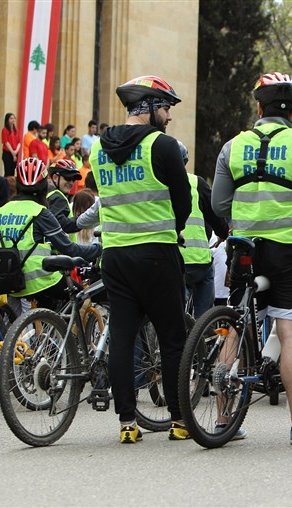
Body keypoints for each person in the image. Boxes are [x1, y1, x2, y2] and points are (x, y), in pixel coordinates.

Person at [212, 71, 292, 444]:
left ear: (259, 106)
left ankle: (221, 419)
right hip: (287, 251)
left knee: (235, 325)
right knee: (291, 334)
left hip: (244, 248)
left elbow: (219, 203)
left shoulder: (232, 147)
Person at [91, 75, 191, 443]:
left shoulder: (97, 149)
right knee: (171, 337)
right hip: (156, 253)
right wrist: (176, 228)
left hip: (115, 255)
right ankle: (180, 420)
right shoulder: (162, 146)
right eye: (166, 107)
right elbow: (184, 201)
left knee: (121, 336)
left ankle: (127, 424)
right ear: (148, 107)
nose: (168, 116)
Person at [0, 158, 101, 311]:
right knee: (83, 298)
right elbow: (69, 249)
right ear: (45, 185)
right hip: (39, 280)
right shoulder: (40, 212)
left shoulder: (0, 212)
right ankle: (65, 334)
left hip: (9, 280)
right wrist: (99, 249)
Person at [177, 140, 230, 318]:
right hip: (198, 261)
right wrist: (223, 233)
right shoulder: (196, 183)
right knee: (207, 282)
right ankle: (203, 329)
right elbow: (214, 214)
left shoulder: (159, 186)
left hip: (171, 260)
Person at [46, 158, 81, 235]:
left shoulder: (45, 194)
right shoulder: (58, 198)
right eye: (68, 178)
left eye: (73, 179)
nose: (71, 183)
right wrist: (84, 219)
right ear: (55, 178)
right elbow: (61, 224)